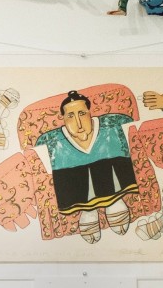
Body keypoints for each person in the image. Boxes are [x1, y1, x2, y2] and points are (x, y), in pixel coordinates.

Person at [34, 90, 137, 244]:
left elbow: (132, 124)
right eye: (70, 116)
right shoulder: (52, 139)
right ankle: (88, 211)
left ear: (89, 112)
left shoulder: (112, 123)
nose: (78, 122)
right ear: (63, 118)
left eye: (81, 113)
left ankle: (115, 202)